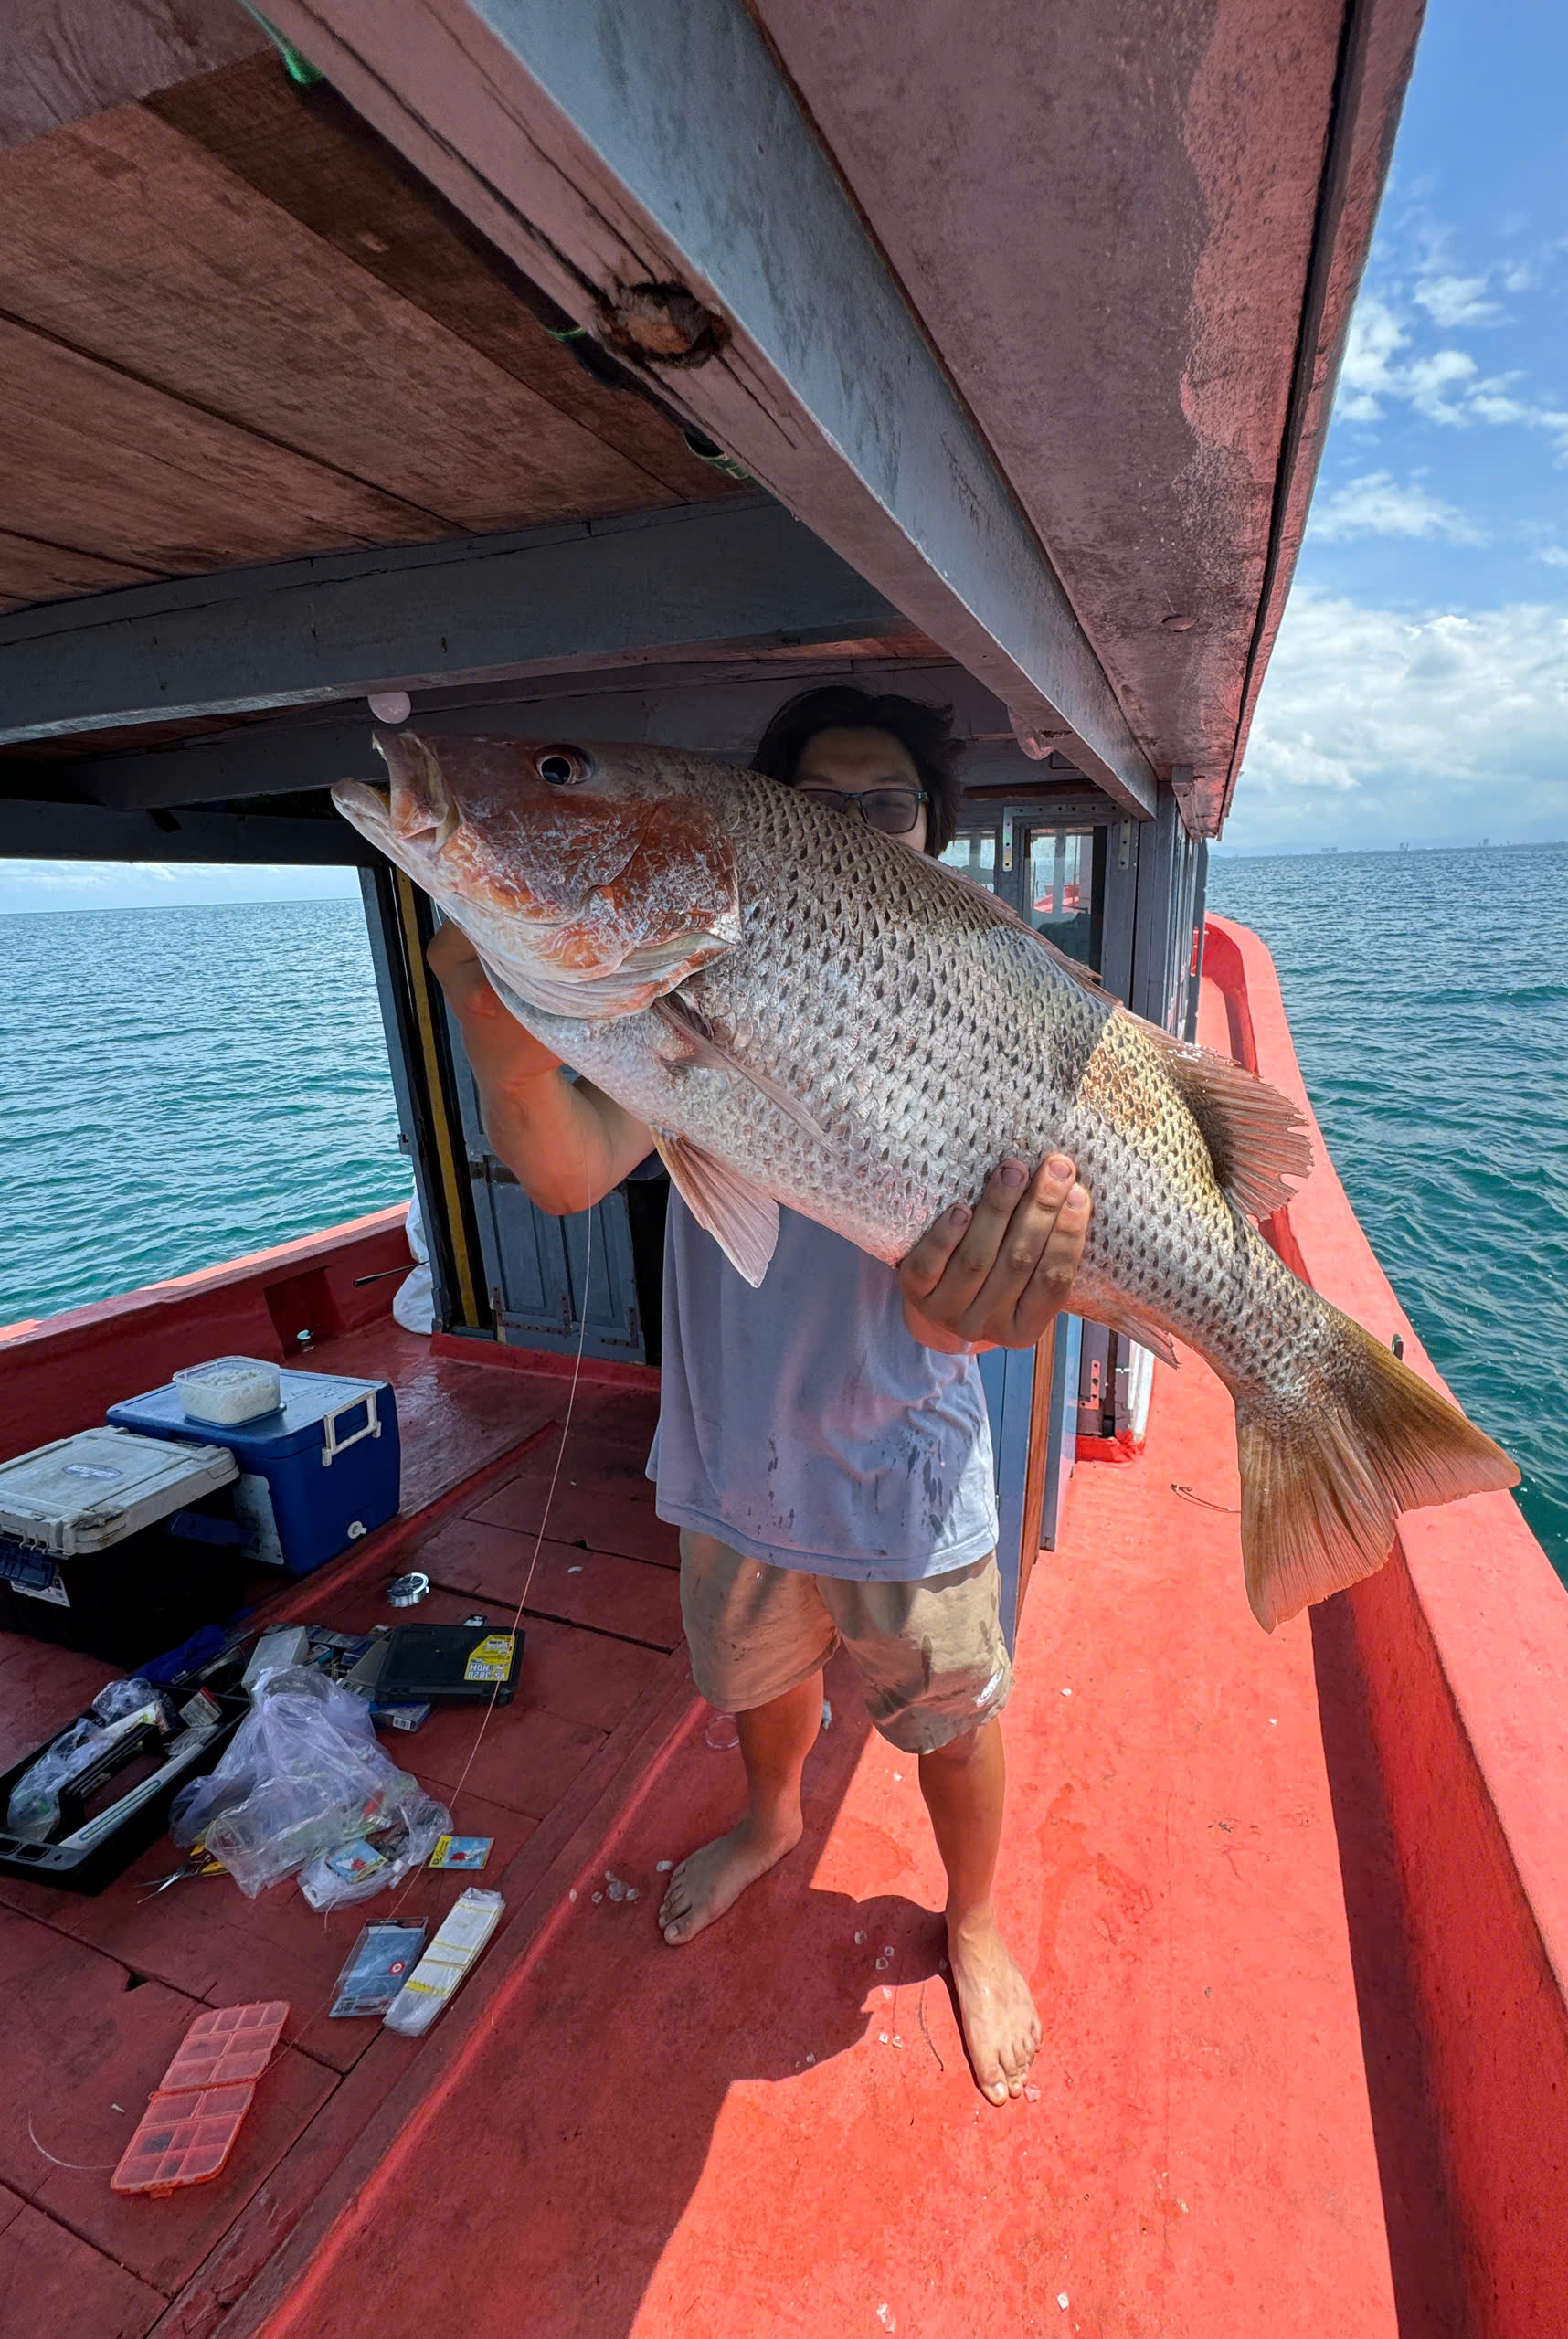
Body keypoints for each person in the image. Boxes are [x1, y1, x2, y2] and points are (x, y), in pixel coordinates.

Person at [427, 685, 1090, 2105]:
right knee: (757, 1686)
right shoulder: (693, 977)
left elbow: (962, 1289)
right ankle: (775, 1817)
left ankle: (970, 1921)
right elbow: (562, 1169)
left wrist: (964, 1304)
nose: (857, 823)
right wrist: (504, 1048)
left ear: (928, 844)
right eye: (822, 803)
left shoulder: (990, 1000)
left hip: (904, 1466)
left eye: (887, 807)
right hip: (733, 1456)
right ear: (765, 830)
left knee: (952, 1718)